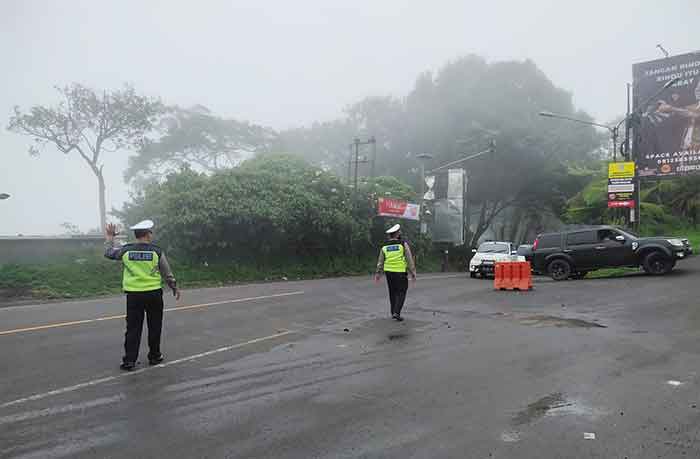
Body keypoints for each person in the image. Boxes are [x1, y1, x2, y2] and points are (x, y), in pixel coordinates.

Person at [104, 220, 180, 371]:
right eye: (151, 232)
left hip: (134, 295)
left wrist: (110, 238)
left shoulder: (126, 251)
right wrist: (174, 287)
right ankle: (154, 356)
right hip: (153, 294)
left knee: (133, 328)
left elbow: (109, 253)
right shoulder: (156, 251)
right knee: (154, 326)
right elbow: (166, 272)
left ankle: (129, 361)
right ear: (147, 234)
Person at [374, 224, 417, 321]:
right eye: (399, 232)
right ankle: (396, 313)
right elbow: (409, 259)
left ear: (390, 235)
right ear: (397, 234)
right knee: (401, 292)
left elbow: (380, 261)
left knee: (392, 292)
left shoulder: (384, 247)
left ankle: (393, 311)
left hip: (388, 272)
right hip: (400, 272)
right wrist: (413, 272)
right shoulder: (402, 244)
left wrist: (378, 273)